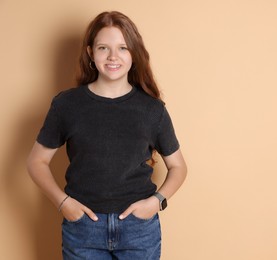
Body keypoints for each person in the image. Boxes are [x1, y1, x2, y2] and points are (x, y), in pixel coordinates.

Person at [26, 11, 187, 260]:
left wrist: (156, 201)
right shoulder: (67, 105)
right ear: (91, 52)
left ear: (134, 53)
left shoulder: (152, 109)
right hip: (83, 229)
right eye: (104, 48)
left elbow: (178, 167)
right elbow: (36, 162)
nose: (113, 56)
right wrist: (63, 203)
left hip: (139, 230)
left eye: (123, 48)